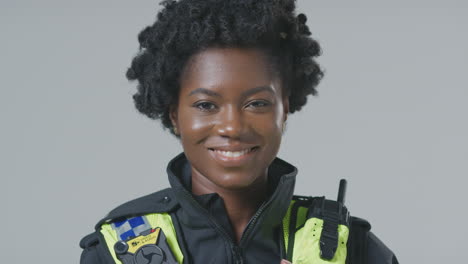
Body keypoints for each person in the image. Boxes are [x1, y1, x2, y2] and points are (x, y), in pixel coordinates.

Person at [79, 0, 399, 263]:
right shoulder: (112, 251)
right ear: (174, 115)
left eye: (257, 103)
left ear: (284, 110)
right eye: (206, 105)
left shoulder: (354, 249)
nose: (232, 127)